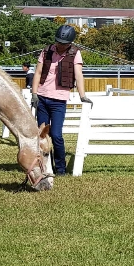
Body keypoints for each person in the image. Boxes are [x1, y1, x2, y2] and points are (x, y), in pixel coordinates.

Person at [31, 24, 92, 176]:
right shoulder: (47, 51)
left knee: (57, 135)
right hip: (42, 99)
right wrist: (34, 94)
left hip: (59, 101)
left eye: (64, 43)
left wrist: (82, 96)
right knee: (43, 136)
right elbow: (37, 73)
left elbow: (78, 75)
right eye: (58, 42)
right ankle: (46, 166)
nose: (60, 45)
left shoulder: (75, 53)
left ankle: (60, 168)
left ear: (70, 43)